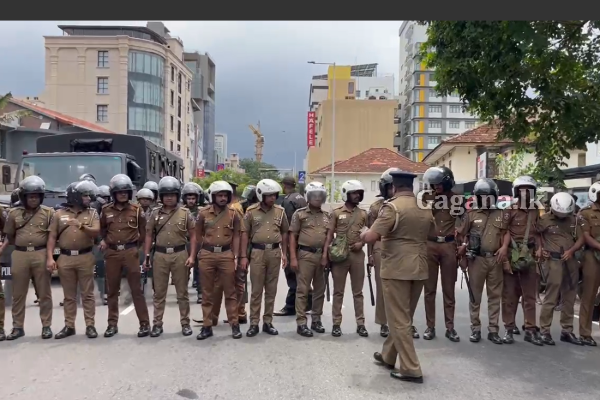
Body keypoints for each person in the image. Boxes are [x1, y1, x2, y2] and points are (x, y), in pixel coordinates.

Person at [361, 170, 432, 384]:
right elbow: (432, 232)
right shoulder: (424, 206)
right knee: (403, 315)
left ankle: (411, 368)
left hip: (397, 268)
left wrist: (363, 232)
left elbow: (371, 236)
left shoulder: (391, 207)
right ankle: (388, 355)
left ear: (393, 187)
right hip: (420, 266)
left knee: (399, 319)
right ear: (411, 186)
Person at [456, 178, 509, 344]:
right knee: (475, 296)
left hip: (495, 259)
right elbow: (461, 234)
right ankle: (475, 328)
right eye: (482, 196)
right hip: (477, 260)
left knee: (495, 296)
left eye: (488, 196)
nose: (485, 199)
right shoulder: (471, 214)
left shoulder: (501, 214)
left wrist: (504, 247)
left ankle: (493, 330)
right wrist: (463, 250)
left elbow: (506, 232)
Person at [2, 176, 55, 340]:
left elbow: (52, 237)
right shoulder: (13, 214)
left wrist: (50, 258)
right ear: (24, 197)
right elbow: (9, 236)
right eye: (30, 196)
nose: (33, 199)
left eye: (36, 196)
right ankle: (17, 327)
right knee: (18, 294)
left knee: (44, 293)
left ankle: (46, 326)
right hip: (20, 254)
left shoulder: (48, 213)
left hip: (40, 253)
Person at [47, 180, 100, 339]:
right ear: (75, 196)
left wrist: (81, 226)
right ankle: (69, 326)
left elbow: (96, 232)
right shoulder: (59, 214)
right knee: (69, 296)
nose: (88, 198)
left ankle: (90, 325)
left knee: (87, 294)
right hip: (65, 258)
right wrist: (50, 258)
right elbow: (52, 237)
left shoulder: (92, 213)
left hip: (85, 257)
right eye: (85, 195)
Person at [144, 177, 196, 337]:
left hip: (180, 254)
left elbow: (193, 235)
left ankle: (185, 323)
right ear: (161, 196)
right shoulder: (154, 213)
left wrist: (192, 256)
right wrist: (146, 256)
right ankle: (157, 324)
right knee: (159, 293)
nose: (169, 198)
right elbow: (148, 235)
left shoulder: (185, 213)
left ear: (177, 195)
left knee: (182, 292)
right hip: (160, 255)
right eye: (166, 195)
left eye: (172, 195)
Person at [100, 174, 150, 338]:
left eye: (125, 192)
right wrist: (105, 242)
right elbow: (102, 231)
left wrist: (136, 249)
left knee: (136, 290)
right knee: (112, 291)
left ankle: (144, 324)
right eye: (119, 192)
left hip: (130, 252)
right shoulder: (106, 210)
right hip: (112, 253)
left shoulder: (137, 210)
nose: (122, 194)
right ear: (113, 193)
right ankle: (112, 325)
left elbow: (143, 233)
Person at [240, 178, 288, 337]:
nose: (273, 198)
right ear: (261, 195)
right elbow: (244, 234)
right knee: (256, 290)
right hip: (257, 253)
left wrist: (285, 254)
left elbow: (285, 233)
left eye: (274, 195)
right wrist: (243, 256)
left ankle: (268, 322)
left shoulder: (280, 211)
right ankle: (254, 323)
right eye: (269, 195)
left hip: (274, 252)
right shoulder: (251, 211)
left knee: (271, 289)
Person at [369, 168, 413, 339]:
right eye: (389, 187)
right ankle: (383, 322)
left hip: (402, 248)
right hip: (381, 247)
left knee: (405, 288)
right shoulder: (376, 207)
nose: (392, 190)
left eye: (393, 186)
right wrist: (370, 255)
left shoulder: (407, 204)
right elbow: (372, 234)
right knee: (383, 288)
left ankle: (405, 323)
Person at [195, 181, 242, 340]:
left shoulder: (234, 214)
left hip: (226, 254)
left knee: (230, 292)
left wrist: (235, 256)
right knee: (207, 293)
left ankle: (234, 324)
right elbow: (197, 234)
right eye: (219, 195)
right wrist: (199, 252)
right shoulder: (203, 213)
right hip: (207, 255)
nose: (222, 198)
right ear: (213, 196)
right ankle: (207, 326)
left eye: (225, 196)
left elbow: (237, 235)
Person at [536, 192, 584, 346]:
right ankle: (544, 331)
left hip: (570, 261)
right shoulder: (544, 219)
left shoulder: (574, 220)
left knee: (569, 297)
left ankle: (567, 331)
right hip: (553, 261)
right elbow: (536, 235)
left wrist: (571, 251)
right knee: (551, 296)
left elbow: (581, 238)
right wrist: (540, 248)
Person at [502, 176, 543, 346]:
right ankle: (509, 328)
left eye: (529, 189)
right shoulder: (510, 210)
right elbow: (503, 231)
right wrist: (504, 253)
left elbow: (538, 232)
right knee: (510, 295)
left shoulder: (535, 210)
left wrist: (539, 248)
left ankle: (530, 329)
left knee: (529, 295)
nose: (525, 192)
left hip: (530, 256)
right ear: (517, 191)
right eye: (522, 189)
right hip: (512, 254)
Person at [324, 180, 368, 338]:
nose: (357, 196)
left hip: (357, 255)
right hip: (340, 255)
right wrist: (325, 255)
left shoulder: (363, 214)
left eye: (359, 193)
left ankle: (361, 324)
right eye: (354, 193)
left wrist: (361, 243)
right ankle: (336, 324)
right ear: (346, 194)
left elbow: (368, 233)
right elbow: (329, 235)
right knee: (338, 292)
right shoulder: (336, 213)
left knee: (358, 292)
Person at [421, 166, 460, 342]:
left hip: (449, 245)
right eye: (433, 184)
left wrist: (462, 242)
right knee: (429, 290)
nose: (435, 187)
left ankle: (450, 327)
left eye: (438, 184)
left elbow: (464, 221)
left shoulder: (457, 200)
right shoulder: (426, 199)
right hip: (430, 245)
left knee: (448, 290)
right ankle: (430, 326)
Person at [289, 181, 328, 337]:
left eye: (320, 195)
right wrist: (293, 258)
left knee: (320, 290)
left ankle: (316, 320)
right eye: (314, 195)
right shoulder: (299, 214)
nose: (317, 198)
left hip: (321, 256)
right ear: (307, 196)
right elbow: (292, 236)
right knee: (302, 290)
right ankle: (301, 323)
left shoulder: (327, 216)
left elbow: (329, 237)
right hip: (305, 255)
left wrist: (325, 255)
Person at [275, 176, 310, 317]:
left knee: (291, 273)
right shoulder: (301, 198)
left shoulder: (288, 200)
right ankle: (307, 302)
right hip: (304, 241)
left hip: (293, 241)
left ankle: (290, 306)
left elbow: (288, 225)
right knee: (302, 274)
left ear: (284, 185)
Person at [576, 181, 600, 346]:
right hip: (592, 256)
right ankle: (585, 333)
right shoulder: (585, 213)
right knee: (589, 295)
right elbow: (585, 236)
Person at [181, 182, 203, 303]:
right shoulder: (180, 211)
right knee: (183, 270)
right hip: (184, 243)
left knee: (200, 269)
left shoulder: (202, 212)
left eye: (193, 198)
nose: (191, 201)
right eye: (188, 198)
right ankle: (182, 293)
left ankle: (201, 293)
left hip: (198, 243)